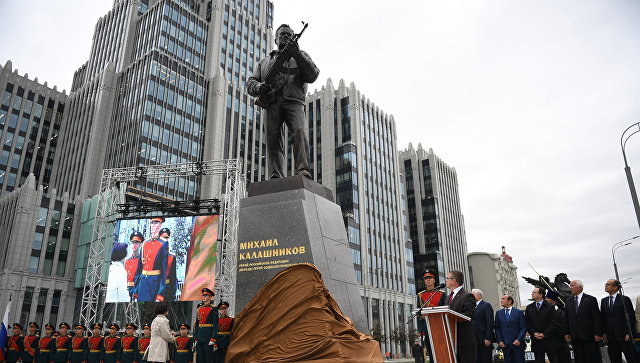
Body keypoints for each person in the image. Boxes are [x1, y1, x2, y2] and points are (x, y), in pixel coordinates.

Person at [247, 23, 320, 179]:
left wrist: (298, 54)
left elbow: (313, 75)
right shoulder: (264, 62)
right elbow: (251, 82)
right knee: (272, 140)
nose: (286, 36)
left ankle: (303, 170)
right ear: (275, 39)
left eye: (289, 34)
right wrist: (259, 87)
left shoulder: (301, 55)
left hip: (294, 102)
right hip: (272, 103)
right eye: (283, 34)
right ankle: (275, 174)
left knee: (300, 133)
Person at [439, 270, 476, 363]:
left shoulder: (468, 296)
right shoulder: (448, 297)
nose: (445, 281)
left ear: (454, 281)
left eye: (447, 278)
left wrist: (452, 316)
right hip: (451, 340)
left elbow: (469, 315)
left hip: (464, 341)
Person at [563, 279, 602, 363]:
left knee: (592, 358)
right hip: (575, 337)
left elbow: (597, 318)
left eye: (572, 286)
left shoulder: (591, 299)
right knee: (579, 358)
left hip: (590, 336)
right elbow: (566, 318)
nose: (570, 288)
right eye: (570, 286)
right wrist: (566, 333)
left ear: (580, 287)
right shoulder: (568, 301)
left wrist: (598, 333)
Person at [601, 279, 637, 363]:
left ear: (615, 287)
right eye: (605, 284)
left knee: (631, 358)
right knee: (614, 359)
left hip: (624, 336)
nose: (605, 285)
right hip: (611, 336)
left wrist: (629, 333)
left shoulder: (624, 299)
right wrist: (604, 333)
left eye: (608, 284)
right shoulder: (604, 301)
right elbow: (603, 318)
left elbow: (631, 317)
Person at [135, 217, 169, 302]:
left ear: (160, 225)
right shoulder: (144, 243)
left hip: (154, 284)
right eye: (152, 223)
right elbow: (139, 269)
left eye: (156, 223)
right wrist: (136, 290)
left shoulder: (163, 243)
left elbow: (164, 270)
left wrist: (160, 293)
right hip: (142, 283)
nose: (153, 225)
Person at [525, 286, 559, 363]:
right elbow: (527, 323)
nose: (532, 293)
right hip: (536, 341)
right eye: (532, 292)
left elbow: (553, 323)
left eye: (534, 292)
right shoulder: (529, 307)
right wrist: (534, 333)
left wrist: (544, 334)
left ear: (540, 295)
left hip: (549, 340)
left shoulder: (550, 307)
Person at [416, 269, 444, 363]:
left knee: (440, 348)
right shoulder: (420, 295)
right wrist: (420, 330)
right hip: (426, 326)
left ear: (434, 280)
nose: (428, 280)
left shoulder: (441, 294)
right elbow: (418, 313)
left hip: (439, 326)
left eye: (430, 278)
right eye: (426, 278)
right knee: (430, 349)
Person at [495, 295, 527, 363]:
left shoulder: (519, 312)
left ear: (509, 301)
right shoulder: (498, 313)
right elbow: (497, 328)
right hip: (505, 345)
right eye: (501, 299)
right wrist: (499, 341)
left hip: (517, 344)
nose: (501, 300)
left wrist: (518, 339)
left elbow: (523, 327)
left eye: (503, 299)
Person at [544, 291, 571, 363]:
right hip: (550, 344)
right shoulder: (544, 312)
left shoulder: (561, 312)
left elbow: (564, 326)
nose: (546, 299)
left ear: (553, 301)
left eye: (548, 298)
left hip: (561, 343)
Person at [194, 287, 218, 363]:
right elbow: (197, 324)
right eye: (203, 295)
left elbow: (215, 325)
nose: (204, 297)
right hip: (200, 336)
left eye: (206, 295)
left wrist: (213, 338)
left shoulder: (213, 309)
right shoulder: (199, 309)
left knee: (208, 358)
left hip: (208, 336)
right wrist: (195, 336)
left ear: (210, 297)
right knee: (200, 358)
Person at [471, 288, 494, 363]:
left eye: (472, 295)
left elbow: (490, 322)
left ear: (477, 296)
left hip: (484, 339)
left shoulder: (486, 305)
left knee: (485, 359)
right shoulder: (471, 307)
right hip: (474, 339)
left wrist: (488, 338)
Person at [126, 231, 144, 298]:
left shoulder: (142, 261)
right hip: (125, 289)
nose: (134, 244)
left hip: (136, 290)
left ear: (140, 244)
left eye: (136, 242)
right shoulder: (127, 261)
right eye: (132, 242)